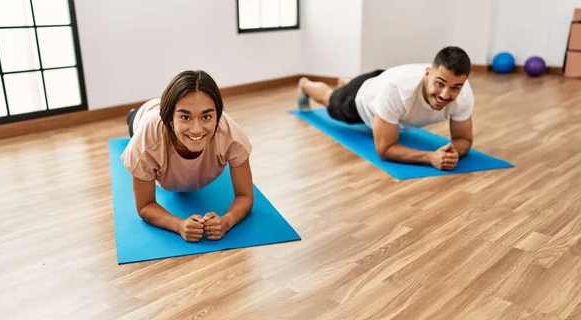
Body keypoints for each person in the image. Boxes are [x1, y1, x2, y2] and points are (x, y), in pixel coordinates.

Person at [122, 70, 254, 243]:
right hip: (146, 114)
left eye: (207, 116)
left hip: (168, 109)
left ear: (217, 117)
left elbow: (245, 196)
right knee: (133, 119)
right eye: (185, 117)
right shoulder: (148, 140)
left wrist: (227, 221)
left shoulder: (232, 137)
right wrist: (179, 225)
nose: (197, 129)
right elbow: (145, 206)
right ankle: (132, 114)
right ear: (170, 120)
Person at [297, 46, 475, 171]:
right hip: (362, 98)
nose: (445, 94)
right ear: (428, 74)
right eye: (440, 83)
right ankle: (307, 85)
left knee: (384, 96)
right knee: (331, 101)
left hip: (384, 82)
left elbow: (463, 139)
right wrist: (431, 157)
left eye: (455, 87)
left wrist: (451, 155)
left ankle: (347, 82)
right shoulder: (396, 90)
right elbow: (385, 149)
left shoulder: (464, 93)